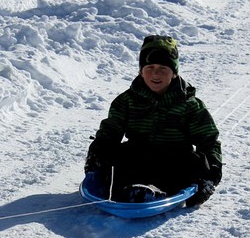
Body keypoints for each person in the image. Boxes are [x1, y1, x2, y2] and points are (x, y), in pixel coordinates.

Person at [84, 35, 222, 206]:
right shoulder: (126, 101)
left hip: (174, 162)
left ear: (174, 73)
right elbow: (110, 131)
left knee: (196, 161)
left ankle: (158, 193)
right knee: (112, 150)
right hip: (137, 159)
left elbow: (208, 141)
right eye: (149, 67)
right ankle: (130, 191)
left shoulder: (189, 105)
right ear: (141, 71)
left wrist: (211, 175)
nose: (156, 73)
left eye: (163, 68)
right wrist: (97, 157)